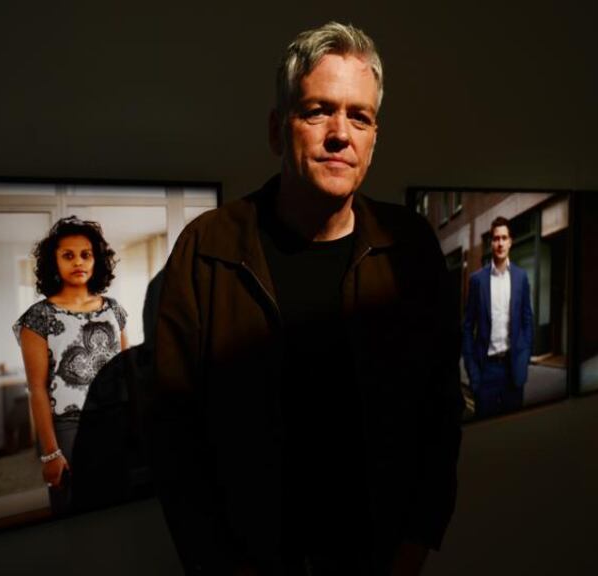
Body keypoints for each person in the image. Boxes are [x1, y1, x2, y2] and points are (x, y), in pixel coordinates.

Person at [150, 22, 463, 576]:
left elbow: (439, 409)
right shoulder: (206, 249)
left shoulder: (411, 248)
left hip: (375, 557)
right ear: (278, 130)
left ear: (373, 137)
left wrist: (416, 542)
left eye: (359, 117)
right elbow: (175, 436)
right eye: (318, 111)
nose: (340, 134)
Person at [13, 216, 128, 515]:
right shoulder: (38, 317)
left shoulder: (114, 310)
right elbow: (37, 389)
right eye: (68, 255)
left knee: (118, 507)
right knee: (75, 511)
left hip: (116, 420)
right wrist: (51, 453)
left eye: (85, 254)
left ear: (96, 260)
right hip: (70, 426)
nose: (78, 261)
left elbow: (126, 373)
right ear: (54, 262)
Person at [461, 216, 533, 419]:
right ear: (491, 243)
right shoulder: (477, 281)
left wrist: (524, 357)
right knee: (486, 430)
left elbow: (527, 320)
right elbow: (467, 327)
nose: (500, 243)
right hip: (486, 372)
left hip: (513, 370)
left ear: (510, 241)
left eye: (504, 238)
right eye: (496, 238)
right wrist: (473, 373)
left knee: (514, 429)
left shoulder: (521, 277)